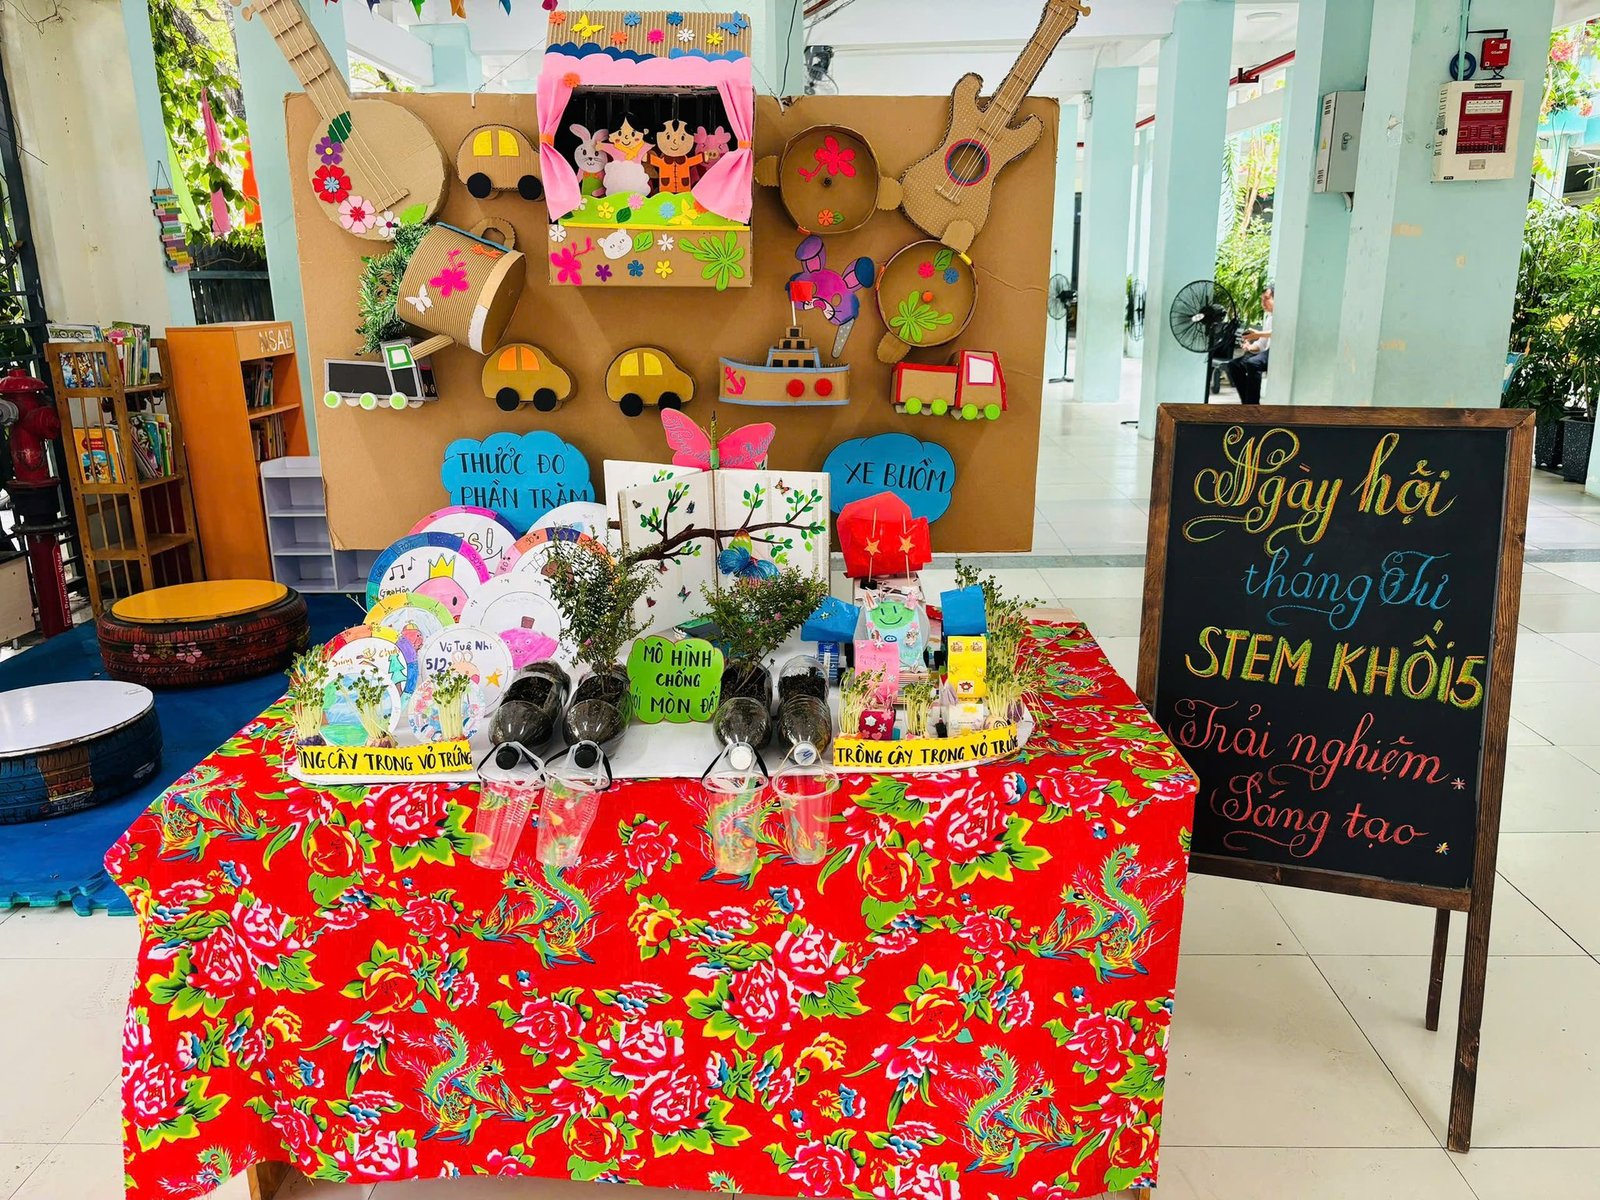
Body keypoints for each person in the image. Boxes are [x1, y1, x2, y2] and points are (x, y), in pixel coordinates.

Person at [1225, 285, 1273, 405]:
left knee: (1253, 363)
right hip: (1265, 352)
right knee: (1234, 365)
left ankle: (1253, 406)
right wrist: (1249, 347)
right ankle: (1246, 404)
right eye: (1262, 299)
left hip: (1275, 352)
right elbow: (1262, 344)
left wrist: (1258, 334)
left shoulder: (1283, 317)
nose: (1263, 303)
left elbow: (1277, 332)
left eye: (1266, 299)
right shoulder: (1268, 318)